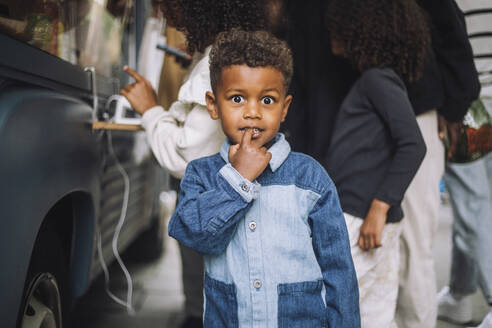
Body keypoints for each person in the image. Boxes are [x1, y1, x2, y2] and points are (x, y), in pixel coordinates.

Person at [275, 1, 480, 326]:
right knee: (353, 268)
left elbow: (443, 16)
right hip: (327, 110)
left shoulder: (382, 76)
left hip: (408, 102)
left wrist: (455, 103)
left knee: (410, 253)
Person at [168, 29, 360, 328]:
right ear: (213, 105)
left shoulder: (310, 179)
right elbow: (193, 234)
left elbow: (339, 270)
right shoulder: (201, 175)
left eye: (268, 100)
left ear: (284, 108)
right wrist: (238, 178)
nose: (253, 112)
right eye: (237, 98)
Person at [120, 1, 267, 327]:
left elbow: (186, 158)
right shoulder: (232, 53)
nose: (164, 13)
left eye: (169, 5)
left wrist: (149, 109)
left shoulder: (215, 63)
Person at [324, 0, 428, 326]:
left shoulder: (377, 80)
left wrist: (379, 207)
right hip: (368, 218)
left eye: (337, 27)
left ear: (362, 31)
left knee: (339, 304)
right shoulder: (379, 81)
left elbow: (414, 145)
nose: (331, 35)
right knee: (374, 311)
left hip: (362, 219)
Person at [437, 1, 492, 327]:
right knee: (476, 205)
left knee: (474, 205)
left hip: (469, 106)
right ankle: (460, 291)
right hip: (479, 101)